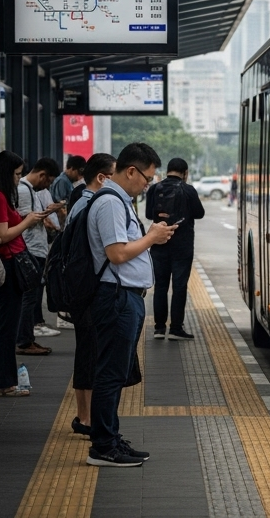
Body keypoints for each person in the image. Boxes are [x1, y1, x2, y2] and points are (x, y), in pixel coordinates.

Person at [84, 143, 175, 467]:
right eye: (147, 179)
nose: (147, 185)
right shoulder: (110, 203)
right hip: (117, 296)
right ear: (131, 171)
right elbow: (117, 253)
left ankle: (110, 438)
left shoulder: (118, 201)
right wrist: (152, 238)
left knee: (116, 371)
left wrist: (152, 235)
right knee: (110, 373)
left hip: (124, 296)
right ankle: (103, 446)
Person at [0, 150, 53, 394]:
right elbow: (1, 236)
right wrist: (26, 223)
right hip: (8, 264)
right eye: (17, 174)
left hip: (4, 264)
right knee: (6, 326)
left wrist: (24, 219)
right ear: (6, 173)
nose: (18, 179)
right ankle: (4, 383)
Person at [66, 152, 115, 436]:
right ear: (102, 177)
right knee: (89, 351)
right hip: (88, 288)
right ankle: (85, 418)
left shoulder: (80, 200)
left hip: (81, 287)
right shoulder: (90, 203)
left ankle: (85, 416)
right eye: (114, 175)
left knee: (87, 349)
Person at [145, 158, 204, 341]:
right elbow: (199, 213)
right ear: (185, 172)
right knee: (179, 287)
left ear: (167, 171)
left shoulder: (155, 188)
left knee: (160, 287)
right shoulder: (188, 190)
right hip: (182, 246)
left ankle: (159, 329)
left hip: (159, 243)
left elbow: (149, 214)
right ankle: (176, 329)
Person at [16, 157, 64, 349]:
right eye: (49, 181)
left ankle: (27, 338)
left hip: (35, 248)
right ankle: (24, 340)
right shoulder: (24, 190)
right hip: (30, 248)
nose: (48, 186)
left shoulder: (30, 190)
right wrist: (46, 213)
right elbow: (25, 219)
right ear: (42, 175)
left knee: (32, 296)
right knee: (29, 297)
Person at [49, 155, 85, 224]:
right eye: (79, 173)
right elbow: (61, 204)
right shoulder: (62, 181)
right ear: (71, 169)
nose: (80, 177)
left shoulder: (68, 181)